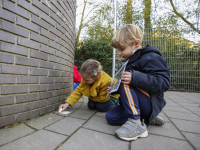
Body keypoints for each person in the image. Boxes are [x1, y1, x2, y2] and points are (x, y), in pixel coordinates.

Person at [106, 24, 170, 141]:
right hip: (139, 105)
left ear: (136, 43)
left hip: (150, 102)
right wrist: (114, 90)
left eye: (122, 49)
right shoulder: (131, 60)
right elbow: (130, 91)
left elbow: (164, 82)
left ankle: (137, 124)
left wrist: (135, 78)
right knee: (111, 117)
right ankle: (146, 119)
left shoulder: (151, 57)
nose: (119, 53)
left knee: (126, 80)